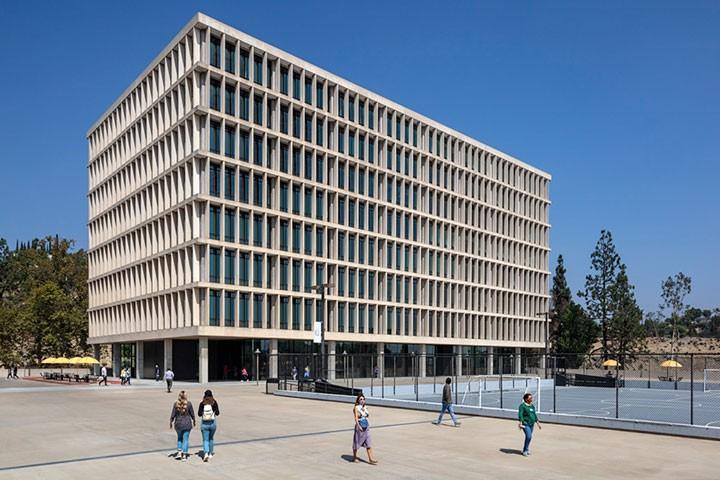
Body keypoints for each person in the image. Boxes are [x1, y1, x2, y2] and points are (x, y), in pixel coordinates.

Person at [170, 390, 195, 461]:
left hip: (178, 424)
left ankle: (179, 453)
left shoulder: (176, 404)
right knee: (186, 439)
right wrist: (194, 420)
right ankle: (184, 455)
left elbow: (173, 414)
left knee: (179, 438)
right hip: (187, 424)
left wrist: (171, 422)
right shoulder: (189, 404)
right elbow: (192, 413)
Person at [352, 394, 377, 464]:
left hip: (366, 427)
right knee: (357, 442)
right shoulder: (356, 408)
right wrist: (358, 426)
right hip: (359, 426)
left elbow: (367, 416)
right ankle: (354, 457)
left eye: (363, 399)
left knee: (368, 443)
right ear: (358, 400)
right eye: (361, 399)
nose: (362, 400)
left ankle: (370, 459)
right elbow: (356, 418)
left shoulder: (365, 407)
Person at [197, 389, 220, 462]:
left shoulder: (202, 403)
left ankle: (206, 453)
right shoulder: (214, 402)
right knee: (211, 438)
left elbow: (199, 414)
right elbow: (218, 413)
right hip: (213, 423)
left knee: (205, 439)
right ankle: (210, 453)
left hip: (204, 423)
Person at [518, 392, 541, 456]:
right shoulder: (522, 406)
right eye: (530, 398)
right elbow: (520, 414)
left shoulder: (532, 406)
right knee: (529, 436)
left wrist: (538, 423)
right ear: (526, 399)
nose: (531, 399)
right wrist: (520, 423)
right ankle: (525, 450)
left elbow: (534, 414)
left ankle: (526, 449)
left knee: (529, 438)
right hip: (526, 424)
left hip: (531, 424)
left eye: (531, 398)